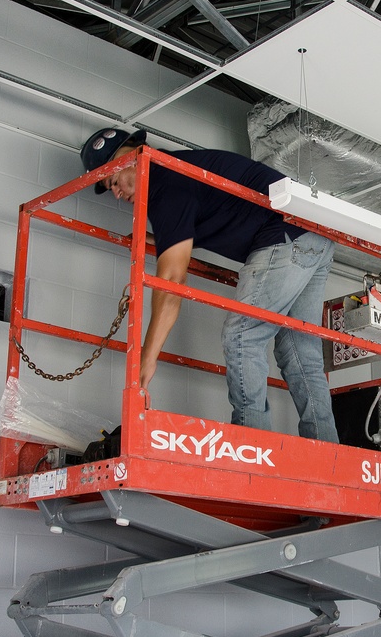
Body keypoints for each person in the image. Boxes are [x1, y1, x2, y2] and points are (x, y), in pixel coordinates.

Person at [80, 127, 338, 443]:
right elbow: (192, 231)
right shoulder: (175, 176)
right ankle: (327, 446)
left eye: (113, 180)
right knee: (299, 351)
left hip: (282, 234)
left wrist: (145, 361)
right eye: (110, 189)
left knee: (242, 336)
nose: (117, 193)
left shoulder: (163, 184)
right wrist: (158, 240)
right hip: (314, 233)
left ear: (132, 158)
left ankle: (252, 446)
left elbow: (172, 280)